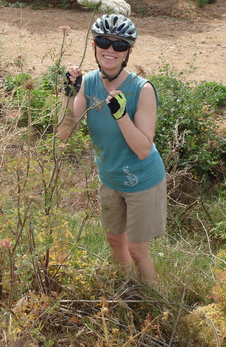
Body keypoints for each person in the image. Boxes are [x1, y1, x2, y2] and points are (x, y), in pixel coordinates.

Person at [58, 14, 166, 283]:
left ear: (129, 52)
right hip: (110, 178)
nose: (110, 49)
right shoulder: (90, 82)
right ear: (93, 46)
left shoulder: (142, 90)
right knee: (114, 240)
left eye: (119, 45)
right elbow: (63, 133)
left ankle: (153, 302)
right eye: (104, 42)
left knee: (137, 249)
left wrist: (122, 117)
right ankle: (125, 291)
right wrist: (68, 93)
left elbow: (143, 149)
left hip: (142, 179)